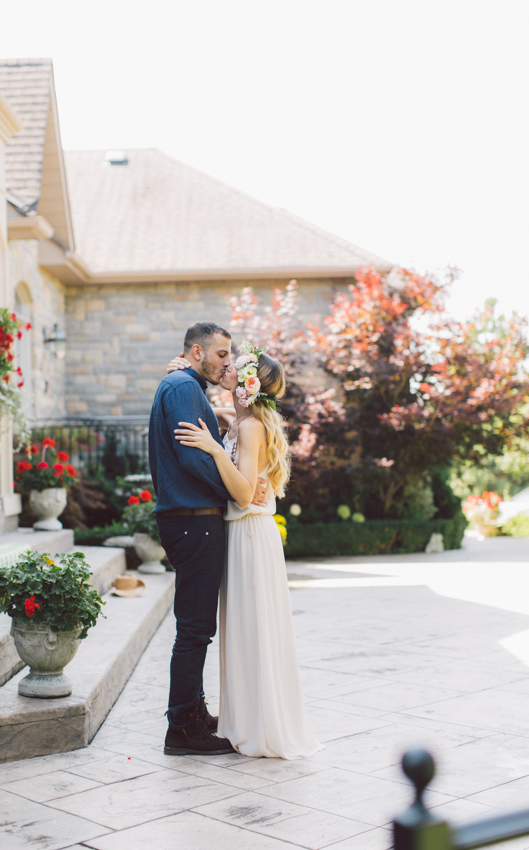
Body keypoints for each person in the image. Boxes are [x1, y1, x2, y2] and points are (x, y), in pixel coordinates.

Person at [172, 341, 322, 759]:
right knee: (243, 629)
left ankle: (262, 724)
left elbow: (241, 494)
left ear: (249, 385)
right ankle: (245, 717)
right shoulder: (239, 423)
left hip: (251, 538)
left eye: (235, 368)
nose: (227, 369)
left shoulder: (252, 427)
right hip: (241, 536)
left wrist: (216, 448)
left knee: (254, 629)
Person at [148, 322, 267, 756]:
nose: (227, 362)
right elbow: (193, 457)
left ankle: (194, 713)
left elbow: (202, 447)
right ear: (197, 352)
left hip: (191, 519)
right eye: (221, 354)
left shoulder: (183, 383)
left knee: (197, 627)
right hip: (193, 520)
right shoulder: (182, 387)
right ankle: (181, 729)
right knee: (195, 629)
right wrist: (235, 492)